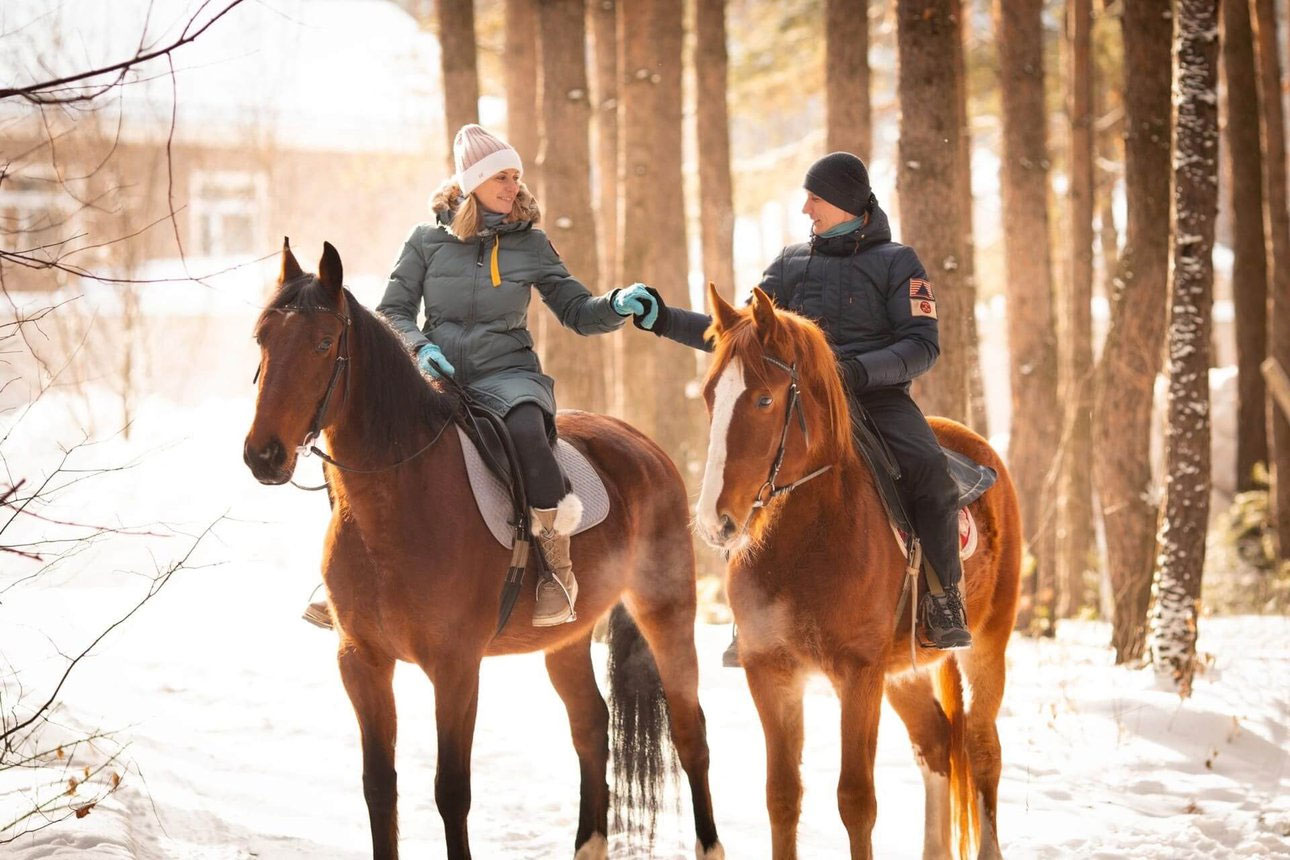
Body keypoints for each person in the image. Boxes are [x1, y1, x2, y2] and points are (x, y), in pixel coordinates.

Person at [303, 124, 656, 629]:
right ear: (472, 184)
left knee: (529, 437)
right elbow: (393, 311)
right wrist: (421, 350)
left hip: (509, 375)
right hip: (434, 375)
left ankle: (556, 569)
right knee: (363, 442)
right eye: (501, 178)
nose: (513, 187)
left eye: (515, 177)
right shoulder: (424, 242)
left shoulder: (531, 244)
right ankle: (346, 572)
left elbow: (577, 311)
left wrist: (616, 305)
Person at [619, 152, 972, 652]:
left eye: (815, 198)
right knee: (752, 468)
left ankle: (943, 598)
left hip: (876, 399)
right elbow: (739, 334)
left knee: (929, 473)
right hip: (801, 404)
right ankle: (753, 609)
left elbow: (922, 344)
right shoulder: (789, 264)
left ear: (848, 203)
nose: (806, 208)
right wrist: (662, 319)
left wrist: (855, 371)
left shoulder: (899, 263)